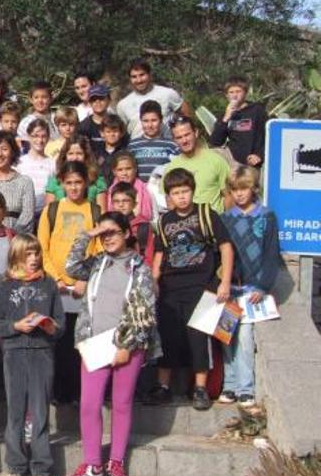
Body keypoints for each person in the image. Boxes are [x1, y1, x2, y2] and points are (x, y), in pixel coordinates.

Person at [56, 212, 159, 476]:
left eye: (113, 232)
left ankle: (116, 463)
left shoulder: (140, 268)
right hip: (95, 343)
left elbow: (144, 311)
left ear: (127, 233)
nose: (108, 238)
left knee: (122, 404)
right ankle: (92, 466)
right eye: (104, 234)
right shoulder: (97, 262)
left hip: (128, 345)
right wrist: (85, 236)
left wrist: (126, 345)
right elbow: (71, 266)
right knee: (90, 405)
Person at [147, 168, 234, 410]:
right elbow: (160, 252)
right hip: (170, 287)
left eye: (185, 191)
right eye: (176, 193)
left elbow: (226, 248)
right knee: (168, 337)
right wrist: (154, 280)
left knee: (198, 337)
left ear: (192, 191)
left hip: (201, 285)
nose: (182, 197)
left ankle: (200, 388)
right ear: (168, 196)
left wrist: (224, 281)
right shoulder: (164, 221)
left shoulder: (207, 214)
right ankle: (163, 386)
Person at [0, 234, 65, 476]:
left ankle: (41, 467)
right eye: (28, 254)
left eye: (36, 254)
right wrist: (15, 326)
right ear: (16, 256)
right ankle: (15, 465)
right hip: (14, 353)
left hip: (42, 352)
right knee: (16, 412)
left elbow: (61, 325)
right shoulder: (4, 286)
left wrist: (51, 327)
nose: (33, 260)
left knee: (41, 410)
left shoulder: (49, 284)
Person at [38, 161, 103, 404]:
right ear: (61, 184)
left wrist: (84, 279)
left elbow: (98, 250)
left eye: (78, 182)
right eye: (69, 183)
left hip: (82, 288)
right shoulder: (52, 210)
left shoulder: (94, 210)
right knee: (57, 342)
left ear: (86, 183)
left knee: (80, 344)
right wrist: (55, 278)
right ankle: (58, 393)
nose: (74, 188)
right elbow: (41, 247)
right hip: (56, 288)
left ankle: (79, 393)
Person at [220, 166, 280, 407]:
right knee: (226, 336)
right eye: (235, 190)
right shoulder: (226, 218)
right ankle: (230, 384)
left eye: (244, 189)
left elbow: (271, 253)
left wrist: (263, 285)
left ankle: (246, 387)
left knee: (245, 338)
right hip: (230, 287)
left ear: (254, 189)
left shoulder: (266, 217)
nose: (239, 194)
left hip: (251, 288)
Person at [164, 116, 230, 213]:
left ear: (196, 133)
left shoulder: (216, 160)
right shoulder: (171, 167)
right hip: (187, 226)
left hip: (214, 223)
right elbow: (170, 202)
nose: (184, 141)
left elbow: (229, 195)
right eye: (179, 137)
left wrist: (226, 221)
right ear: (174, 140)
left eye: (187, 135)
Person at [116, 58, 191, 139]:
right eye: (134, 77)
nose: (139, 80)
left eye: (142, 75)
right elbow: (120, 132)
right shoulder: (123, 105)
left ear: (149, 75)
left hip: (167, 147)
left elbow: (186, 113)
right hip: (138, 149)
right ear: (130, 79)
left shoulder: (167, 93)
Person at [209, 76, 268, 167]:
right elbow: (215, 142)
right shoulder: (225, 114)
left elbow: (268, 136)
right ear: (227, 95)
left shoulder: (257, 111)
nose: (234, 95)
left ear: (245, 93)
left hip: (251, 161)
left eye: (238, 91)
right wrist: (225, 119)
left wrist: (260, 155)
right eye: (231, 92)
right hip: (231, 158)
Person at [44, 136, 108, 208]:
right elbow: (48, 212)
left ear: (86, 156)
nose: (75, 158)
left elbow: (102, 212)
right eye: (70, 153)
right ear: (65, 156)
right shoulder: (55, 181)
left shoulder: (97, 181)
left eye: (79, 153)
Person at [127, 100, 180, 182]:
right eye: (146, 121)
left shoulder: (171, 145)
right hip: (139, 191)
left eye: (154, 120)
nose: (150, 125)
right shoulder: (133, 145)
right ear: (141, 121)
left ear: (161, 120)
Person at [15, 119, 55, 218]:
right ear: (28, 137)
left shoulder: (53, 163)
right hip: (24, 210)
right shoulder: (19, 163)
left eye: (43, 136)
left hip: (44, 211)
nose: (40, 140)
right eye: (35, 136)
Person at [110, 182, 155, 267]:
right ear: (112, 204)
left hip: (137, 272)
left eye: (126, 201)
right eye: (116, 201)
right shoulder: (108, 226)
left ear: (135, 204)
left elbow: (149, 256)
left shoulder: (143, 226)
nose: (121, 205)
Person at [106, 151, 154, 224]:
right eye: (120, 170)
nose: (124, 173)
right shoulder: (110, 191)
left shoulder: (146, 190)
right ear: (114, 172)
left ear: (135, 169)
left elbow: (154, 217)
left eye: (128, 169)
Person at [78, 84, 113, 154]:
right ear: (90, 103)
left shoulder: (116, 122)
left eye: (101, 98)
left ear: (109, 100)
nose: (97, 102)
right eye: (93, 100)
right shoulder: (83, 127)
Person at [97, 114, 129, 184]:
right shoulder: (97, 153)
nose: (112, 135)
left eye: (115, 131)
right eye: (108, 132)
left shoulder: (125, 153)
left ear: (121, 133)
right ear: (102, 133)